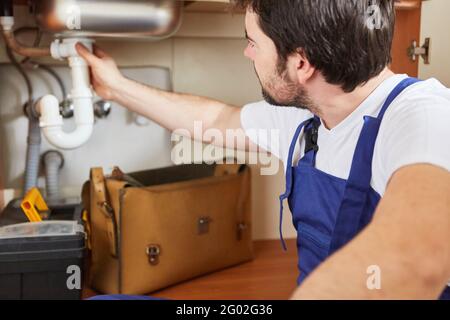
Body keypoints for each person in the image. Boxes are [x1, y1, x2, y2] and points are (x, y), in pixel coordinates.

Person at [76, 0, 450, 299]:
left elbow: (417, 260)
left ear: (301, 63)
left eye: (253, 42)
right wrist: (116, 87)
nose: (247, 53)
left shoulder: (423, 116)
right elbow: (217, 121)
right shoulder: (311, 114)